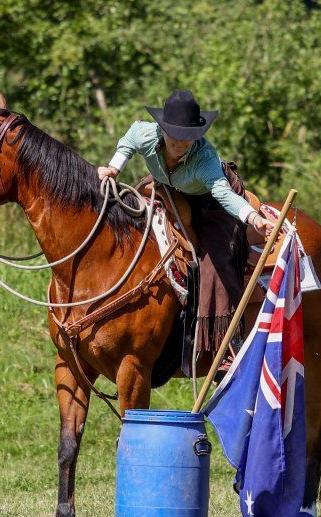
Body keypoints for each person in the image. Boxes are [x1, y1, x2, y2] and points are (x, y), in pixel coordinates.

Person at [97, 89, 274, 358]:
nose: (180, 142)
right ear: (161, 128)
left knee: (215, 261)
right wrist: (113, 168)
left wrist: (253, 217)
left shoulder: (205, 158)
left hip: (210, 203)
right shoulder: (144, 133)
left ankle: (227, 344)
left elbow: (223, 194)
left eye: (189, 137)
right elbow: (128, 142)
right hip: (166, 187)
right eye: (174, 135)